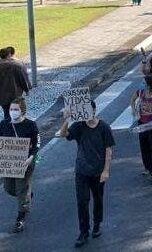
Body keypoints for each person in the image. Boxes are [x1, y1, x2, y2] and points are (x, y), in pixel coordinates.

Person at [59, 101, 115, 247]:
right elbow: (64, 134)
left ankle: (97, 224)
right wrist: (67, 119)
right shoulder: (79, 126)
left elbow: (109, 150)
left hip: (98, 172)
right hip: (82, 171)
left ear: (95, 110)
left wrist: (106, 171)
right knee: (82, 202)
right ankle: (83, 232)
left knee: (98, 199)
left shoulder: (104, 127)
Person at [0, 99, 39, 233]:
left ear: (22, 110)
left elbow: (36, 144)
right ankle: (27, 195)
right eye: (11, 109)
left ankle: (20, 218)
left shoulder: (30, 125)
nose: (13, 112)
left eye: (16, 109)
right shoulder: (3, 124)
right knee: (9, 188)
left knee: (21, 189)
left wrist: (31, 158)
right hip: (9, 164)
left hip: (26, 162)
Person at [129, 75, 152, 182]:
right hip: (142, 122)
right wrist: (133, 109)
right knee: (144, 146)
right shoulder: (141, 92)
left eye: (144, 82)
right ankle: (148, 167)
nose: (142, 83)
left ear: (149, 83)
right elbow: (132, 99)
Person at [0, 47, 30, 121]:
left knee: (7, 113)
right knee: (18, 114)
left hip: (3, 97)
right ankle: (17, 129)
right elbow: (23, 79)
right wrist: (27, 89)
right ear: (9, 55)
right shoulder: (16, 66)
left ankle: (8, 129)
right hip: (15, 95)